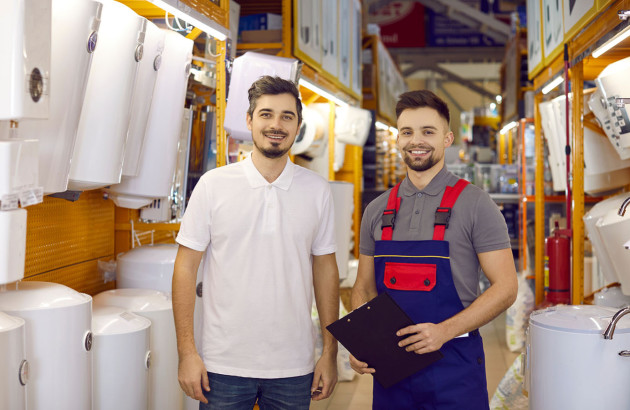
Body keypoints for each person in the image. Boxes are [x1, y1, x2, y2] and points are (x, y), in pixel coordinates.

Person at [172, 75, 339, 409]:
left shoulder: (317, 190)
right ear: (249, 120)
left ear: (298, 125)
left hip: (294, 365)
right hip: (223, 365)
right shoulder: (213, 185)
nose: (276, 124)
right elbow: (185, 268)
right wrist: (187, 352)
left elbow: (326, 272)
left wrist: (330, 354)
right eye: (266, 114)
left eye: (286, 116)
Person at [350, 90, 518, 409]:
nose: (417, 141)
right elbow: (363, 288)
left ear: (447, 138)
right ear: (398, 138)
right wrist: (363, 340)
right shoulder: (376, 210)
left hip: (454, 368)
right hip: (392, 374)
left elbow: (507, 288)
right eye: (408, 132)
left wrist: (443, 331)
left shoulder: (476, 205)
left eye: (428, 131)